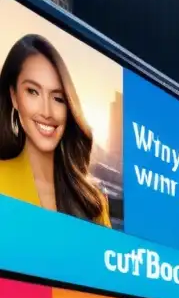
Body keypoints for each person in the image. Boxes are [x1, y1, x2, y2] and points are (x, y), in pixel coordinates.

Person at [0, 34, 111, 225]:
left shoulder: (92, 201)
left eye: (58, 98)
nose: (47, 112)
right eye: (32, 92)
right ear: (14, 97)